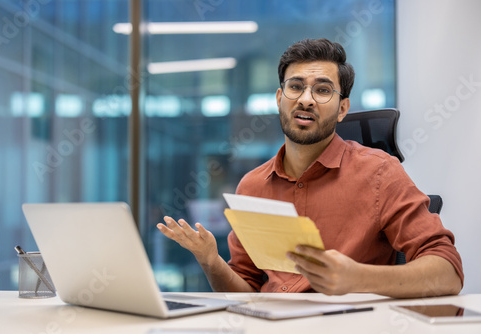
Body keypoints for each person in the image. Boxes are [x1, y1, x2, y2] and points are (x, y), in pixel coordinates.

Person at [157, 38, 463, 298]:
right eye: (296, 86)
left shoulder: (380, 172)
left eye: (323, 90)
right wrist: (212, 261)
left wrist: (359, 278)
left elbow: (448, 273)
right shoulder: (253, 186)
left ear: (343, 108)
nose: (306, 99)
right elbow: (248, 293)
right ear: (280, 98)